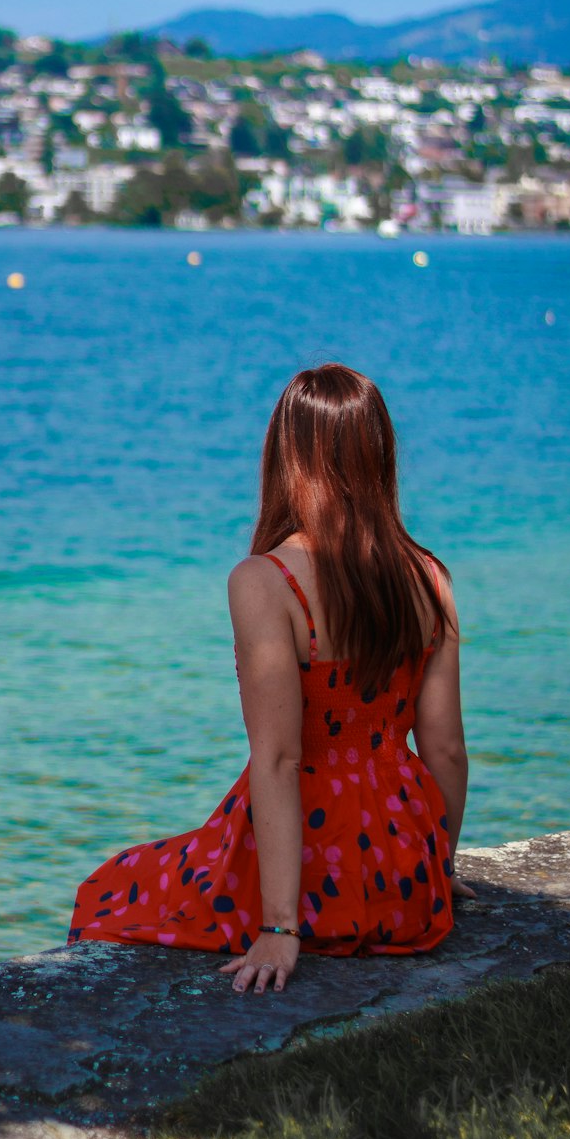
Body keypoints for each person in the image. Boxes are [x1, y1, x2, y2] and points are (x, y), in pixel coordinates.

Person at [68, 363, 475, 993]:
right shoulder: (429, 578)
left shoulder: (265, 582)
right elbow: (445, 748)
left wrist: (281, 928)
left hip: (311, 878)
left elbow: (282, 759)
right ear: (380, 452)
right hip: (407, 883)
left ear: (286, 454)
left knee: (112, 889)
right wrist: (436, 867)